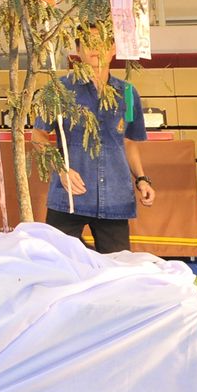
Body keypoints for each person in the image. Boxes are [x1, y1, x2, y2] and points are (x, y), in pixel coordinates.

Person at [33, 27, 156, 254]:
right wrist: (61, 168)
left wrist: (141, 179)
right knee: (57, 264)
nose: (95, 49)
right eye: (88, 42)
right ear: (77, 50)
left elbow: (128, 142)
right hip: (69, 197)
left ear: (113, 49)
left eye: (102, 42)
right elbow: (37, 135)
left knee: (116, 272)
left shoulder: (128, 94)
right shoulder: (59, 90)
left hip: (115, 198)